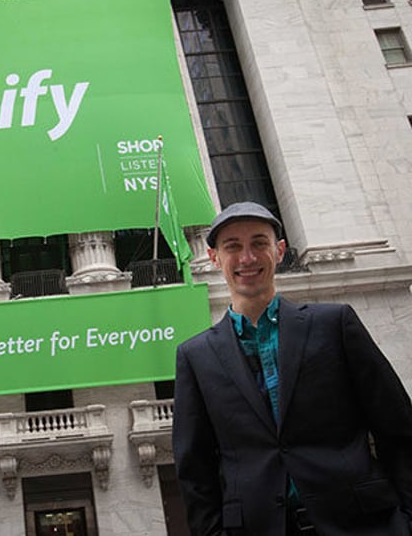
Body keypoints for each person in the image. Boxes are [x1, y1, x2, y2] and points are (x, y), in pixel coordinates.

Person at [172, 201, 412, 536]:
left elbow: (398, 429)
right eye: (233, 247)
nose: (247, 258)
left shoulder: (334, 324)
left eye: (259, 243)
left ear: (279, 250)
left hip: (364, 524)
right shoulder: (194, 356)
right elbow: (194, 470)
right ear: (214, 258)